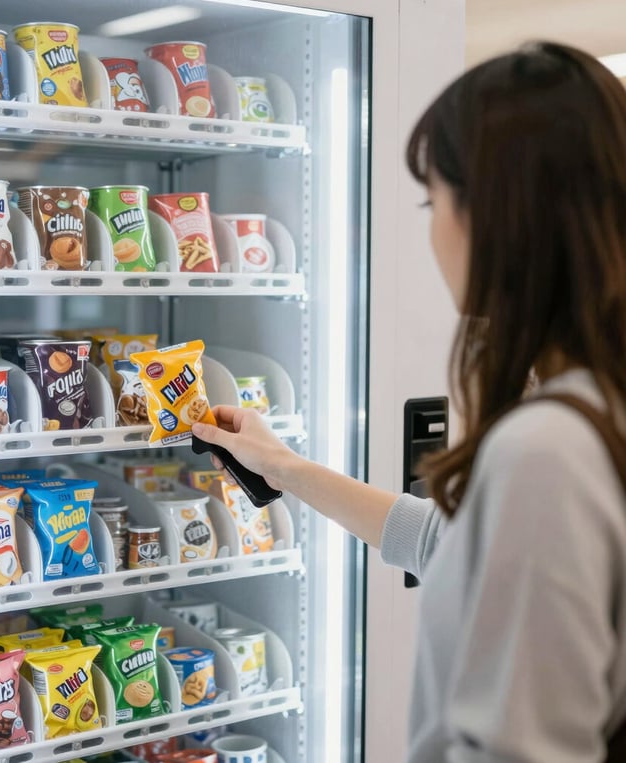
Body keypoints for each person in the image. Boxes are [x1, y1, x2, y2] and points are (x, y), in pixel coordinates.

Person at [192, 41, 626, 762]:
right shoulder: (593, 407)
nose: (431, 231)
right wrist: (281, 466)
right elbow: (450, 543)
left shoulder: (548, 450)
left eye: (433, 201)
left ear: (499, 217)